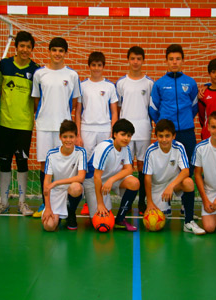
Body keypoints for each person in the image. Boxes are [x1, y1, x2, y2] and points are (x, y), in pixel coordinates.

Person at [0, 31, 39, 217]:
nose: (25, 50)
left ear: (32, 49)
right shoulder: (5, 65)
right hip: (4, 124)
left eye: (28, 46)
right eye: (22, 46)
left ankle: (22, 202)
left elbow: (36, 100)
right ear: (16, 47)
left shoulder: (35, 70)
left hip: (24, 125)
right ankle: (2, 202)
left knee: (22, 162)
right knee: (4, 162)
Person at [31, 37, 81, 218]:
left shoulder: (72, 75)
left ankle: (66, 205)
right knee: (45, 166)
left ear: (65, 53)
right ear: (49, 51)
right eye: (54, 50)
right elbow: (36, 101)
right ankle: (46, 205)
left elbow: (74, 104)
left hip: (64, 129)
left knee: (66, 166)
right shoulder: (39, 74)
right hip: (44, 126)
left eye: (61, 50)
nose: (57, 54)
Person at [149, 43, 199, 217]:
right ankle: (166, 203)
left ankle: (186, 204)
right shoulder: (160, 84)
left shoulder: (190, 83)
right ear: (166, 61)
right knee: (166, 168)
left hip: (186, 132)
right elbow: (153, 109)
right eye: (171, 59)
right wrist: (164, 126)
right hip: (167, 136)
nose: (175, 62)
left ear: (182, 61)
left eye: (178, 59)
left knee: (188, 169)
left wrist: (184, 122)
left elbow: (194, 107)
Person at [143, 119, 205, 234]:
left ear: (174, 136)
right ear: (156, 136)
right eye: (160, 136)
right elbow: (147, 177)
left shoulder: (179, 147)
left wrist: (171, 186)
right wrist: (150, 202)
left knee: (188, 182)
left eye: (167, 136)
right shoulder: (150, 151)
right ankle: (165, 206)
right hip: (158, 186)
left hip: (173, 183)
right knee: (158, 224)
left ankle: (188, 222)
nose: (164, 140)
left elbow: (186, 171)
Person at [75, 52, 118, 215]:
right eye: (93, 65)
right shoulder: (82, 85)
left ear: (103, 66)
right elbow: (78, 111)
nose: (96, 68)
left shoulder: (109, 87)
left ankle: (104, 202)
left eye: (99, 65)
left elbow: (114, 112)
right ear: (89, 66)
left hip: (104, 129)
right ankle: (88, 202)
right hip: (87, 129)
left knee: (102, 166)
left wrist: (112, 133)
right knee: (87, 167)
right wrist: (78, 134)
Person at [116, 46, 154, 215]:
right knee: (127, 165)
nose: (136, 62)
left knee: (142, 165)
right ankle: (127, 201)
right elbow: (117, 109)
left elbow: (152, 109)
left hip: (144, 129)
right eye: (133, 58)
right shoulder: (121, 83)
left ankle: (143, 201)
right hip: (126, 133)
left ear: (143, 60)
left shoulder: (149, 83)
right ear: (128, 60)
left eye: (139, 58)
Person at [84, 119, 140, 231]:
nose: (126, 138)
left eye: (129, 135)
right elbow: (96, 176)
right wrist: (100, 203)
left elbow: (129, 169)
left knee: (134, 183)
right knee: (101, 223)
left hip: (111, 180)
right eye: (123, 134)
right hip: (94, 181)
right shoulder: (105, 148)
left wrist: (112, 180)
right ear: (115, 134)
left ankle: (120, 219)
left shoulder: (126, 147)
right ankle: (96, 204)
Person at [42, 120, 87, 231]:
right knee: (49, 226)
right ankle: (59, 214)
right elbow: (47, 183)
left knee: (76, 187)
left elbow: (81, 177)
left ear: (76, 137)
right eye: (65, 137)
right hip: (56, 192)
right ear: (60, 137)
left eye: (71, 137)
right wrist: (47, 207)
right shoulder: (51, 154)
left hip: (71, 190)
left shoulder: (81, 152)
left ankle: (70, 213)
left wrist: (56, 182)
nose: (68, 140)